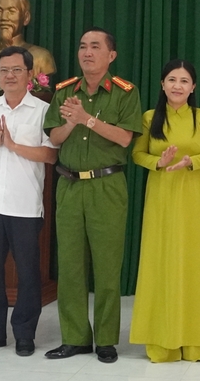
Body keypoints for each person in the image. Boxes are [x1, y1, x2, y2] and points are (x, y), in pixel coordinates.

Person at [42, 27, 142, 363]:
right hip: (69, 185)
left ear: (111, 55)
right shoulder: (64, 91)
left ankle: (106, 340)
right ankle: (75, 338)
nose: (87, 52)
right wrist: (71, 122)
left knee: (107, 266)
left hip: (106, 186)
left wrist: (86, 119)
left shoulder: (125, 92)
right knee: (70, 266)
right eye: (83, 46)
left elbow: (125, 138)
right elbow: (55, 138)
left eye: (95, 47)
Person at [0, 47, 58, 357]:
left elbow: (50, 155)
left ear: (29, 74)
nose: (10, 75)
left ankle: (25, 335)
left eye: (17, 70)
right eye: (4, 70)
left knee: (28, 275)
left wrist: (14, 145)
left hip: (25, 205)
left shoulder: (42, 110)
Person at [130, 59, 200, 362]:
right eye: (172, 80)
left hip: (193, 195)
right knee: (160, 262)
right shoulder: (149, 118)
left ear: (193, 87)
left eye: (184, 81)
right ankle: (162, 342)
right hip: (160, 196)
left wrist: (191, 162)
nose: (177, 86)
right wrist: (157, 163)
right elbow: (137, 154)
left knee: (192, 263)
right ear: (162, 84)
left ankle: (193, 342)